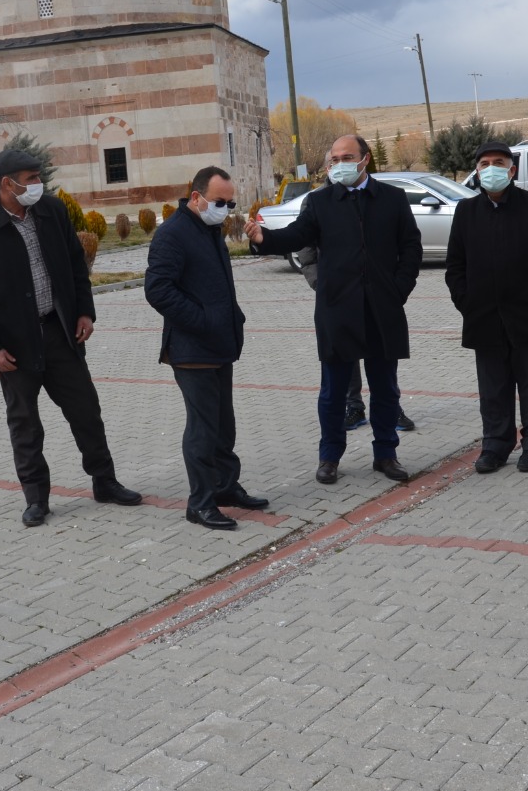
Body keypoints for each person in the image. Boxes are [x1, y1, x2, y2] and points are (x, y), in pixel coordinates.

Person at [0, 148, 143, 527]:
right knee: (25, 423)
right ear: (7, 184)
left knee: (86, 412)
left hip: (61, 332)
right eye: (31, 178)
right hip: (14, 345)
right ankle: (36, 498)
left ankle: (104, 482)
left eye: (40, 177)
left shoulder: (52, 212)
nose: (39, 184)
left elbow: (76, 264)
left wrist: (85, 311)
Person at [246, 135, 422, 485]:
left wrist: (398, 290)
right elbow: (297, 235)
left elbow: (411, 248)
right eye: (334, 159)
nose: (339, 164)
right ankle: (329, 457)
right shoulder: (320, 201)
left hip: (381, 310)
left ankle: (386, 454)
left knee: (385, 389)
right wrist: (265, 238)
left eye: (347, 157)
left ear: (365, 159)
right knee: (333, 392)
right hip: (337, 311)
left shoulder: (392, 198)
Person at [145, 166, 270, 531]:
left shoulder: (209, 228)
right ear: (196, 197)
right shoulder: (173, 234)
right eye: (220, 201)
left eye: (230, 202)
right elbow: (158, 290)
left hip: (219, 345)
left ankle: (225, 487)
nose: (226, 208)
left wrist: (232, 319)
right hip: (192, 348)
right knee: (202, 429)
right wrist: (203, 320)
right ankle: (200, 503)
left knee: (222, 424)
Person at [444, 141, 528, 473]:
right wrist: (466, 303)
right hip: (483, 317)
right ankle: (496, 444)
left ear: (512, 170)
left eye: (497, 162)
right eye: (483, 163)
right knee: (493, 387)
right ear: (476, 171)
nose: (490, 169)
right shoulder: (467, 211)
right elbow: (455, 265)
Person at [295, 234, 416, 433]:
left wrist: (398, 286)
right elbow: (305, 244)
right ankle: (354, 406)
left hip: (376, 290)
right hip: (337, 293)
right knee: (345, 351)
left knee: (383, 355)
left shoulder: (382, 201)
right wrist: (319, 281)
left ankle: (391, 409)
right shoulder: (316, 202)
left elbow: (405, 242)